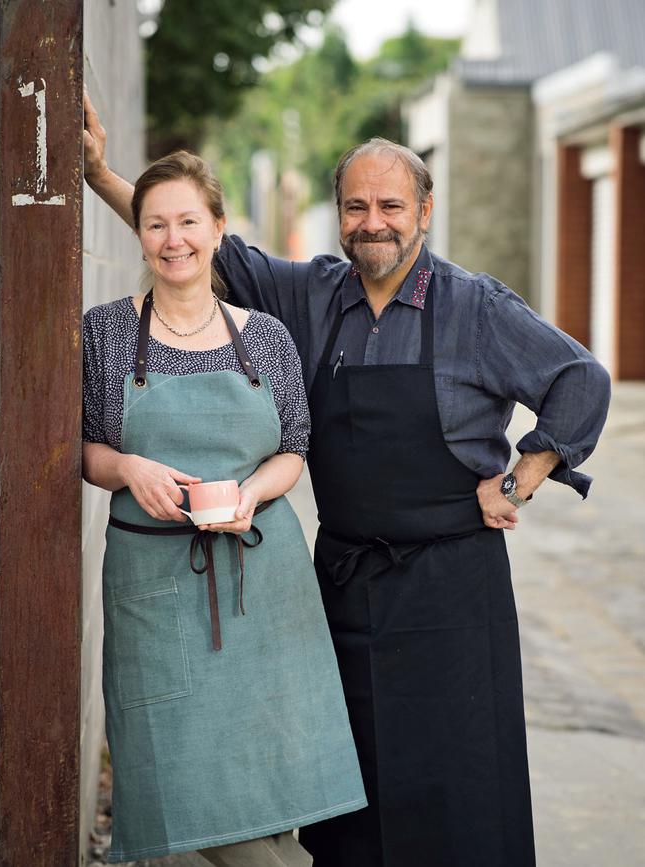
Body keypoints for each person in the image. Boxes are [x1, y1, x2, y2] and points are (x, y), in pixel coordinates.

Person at [84, 96, 611, 867]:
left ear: (425, 211)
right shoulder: (311, 294)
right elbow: (187, 234)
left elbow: (581, 378)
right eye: (356, 205)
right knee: (346, 789)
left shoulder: (474, 306)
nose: (373, 221)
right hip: (342, 583)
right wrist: (96, 173)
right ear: (338, 214)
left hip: (451, 590)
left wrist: (523, 475)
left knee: (459, 786)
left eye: (391, 205)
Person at [82, 149, 367, 865]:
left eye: (187, 221)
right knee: (171, 772)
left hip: (264, 589)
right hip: (154, 587)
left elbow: (294, 449)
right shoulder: (107, 332)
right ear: (139, 234)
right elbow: (82, 449)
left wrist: (249, 491)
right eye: (155, 224)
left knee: (273, 779)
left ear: (216, 227)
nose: (172, 240)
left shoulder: (264, 336)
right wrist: (127, 466)